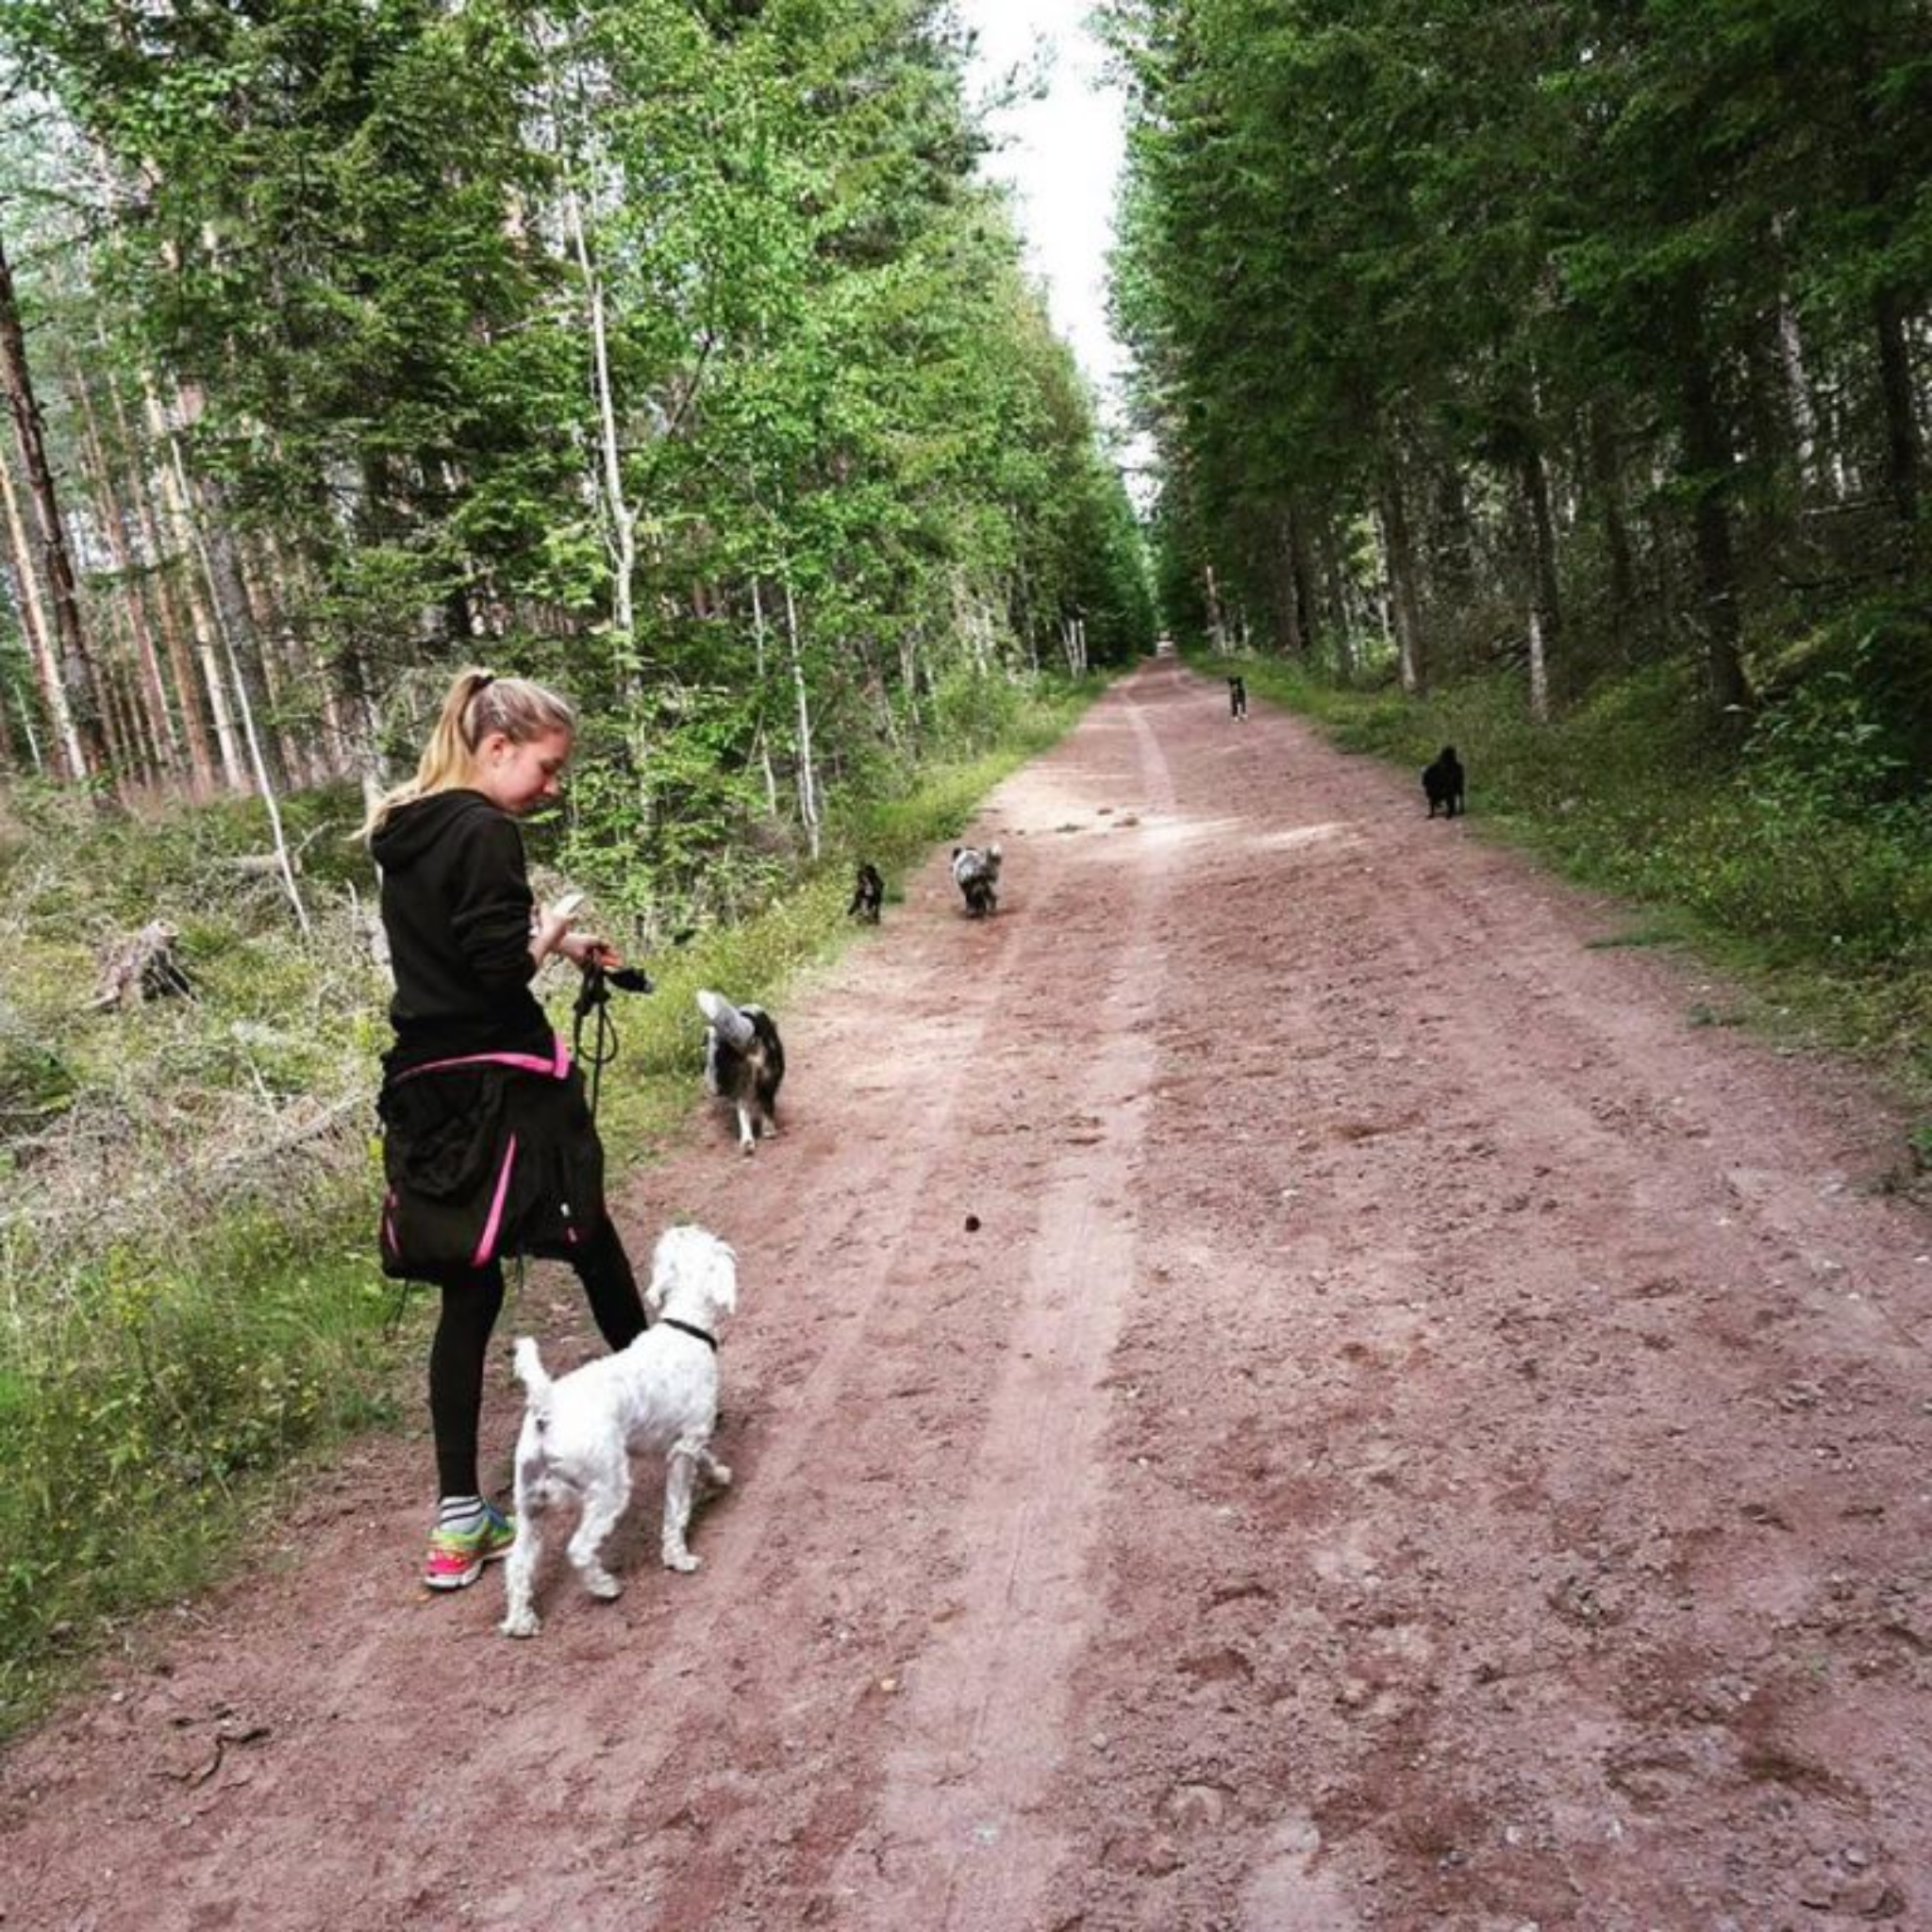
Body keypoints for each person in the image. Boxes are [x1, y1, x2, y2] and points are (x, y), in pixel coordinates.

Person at [364, 667, 648, 1591]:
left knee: (468, 1290)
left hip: (428, 1086)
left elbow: (453, 948)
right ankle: (651, 1404)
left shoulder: (410, 832)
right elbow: (493, 974)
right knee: (591, 1239)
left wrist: (555, 944)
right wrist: (550, 929)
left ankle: (456, 1523)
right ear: (495, 748)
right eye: (547, 765)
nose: (552, 786)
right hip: (507, 1087)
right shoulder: (486, 827)